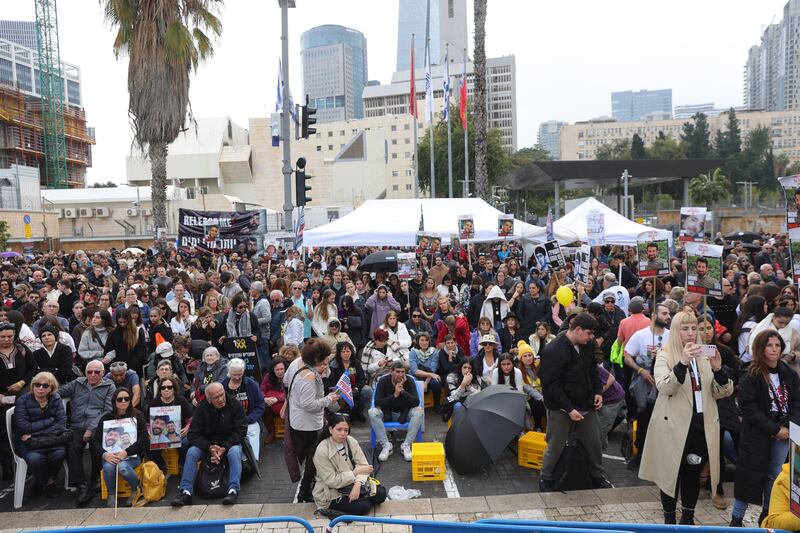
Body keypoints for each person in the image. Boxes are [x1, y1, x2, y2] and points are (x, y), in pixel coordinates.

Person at [638, 311, 733, 525]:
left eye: (694, 329)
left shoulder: (705, 354)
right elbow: (664, 387)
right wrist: (682, 363)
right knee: (670, 475)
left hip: (701, 427)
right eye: (685, 328)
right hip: (672, 427)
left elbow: (722, 392)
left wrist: (718, 370)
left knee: (692, 473)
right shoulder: (665, 354)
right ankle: (669, 521)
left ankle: (688, 518)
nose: (691, 333)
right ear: (676, 331)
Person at [730, 330, 800, 527]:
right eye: (770, 345)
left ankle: (768, 515)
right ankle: (736, 519)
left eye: (777, 345)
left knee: (774, 475)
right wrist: (773, 429)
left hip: (785, 433)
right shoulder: (751, 374)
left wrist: (787, 427)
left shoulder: (789, 373)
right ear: (760, 348)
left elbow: (796, 402)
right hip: (758, 434)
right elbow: (749, 407)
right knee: (749, 475)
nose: (774, 350)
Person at [538, 313, 612, 492]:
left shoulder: (586, 344)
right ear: (577, 330)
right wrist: (569, 408)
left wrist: (598, 391)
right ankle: (545, 477)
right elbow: (551, 385)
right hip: (561, 409)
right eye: (589, 333)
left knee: (595, 443)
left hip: (586, 405)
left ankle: (597, 475)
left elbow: (592, 370)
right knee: (555, 445)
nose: (591, 337)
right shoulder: (553, 350)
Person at [171, 382, 247, 507]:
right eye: (216, 397)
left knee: (234, 452)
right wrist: (209, 447)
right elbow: (193, 433)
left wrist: (224, 447)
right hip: (207, 444)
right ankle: (186, 492)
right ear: (209, 399)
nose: (221, 399)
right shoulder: (202, 408)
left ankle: (233, 490)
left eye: (222, 394)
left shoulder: (235, 404)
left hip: (229, 442)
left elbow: (241, 430)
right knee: (191, 452)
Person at [285, 339, 340, 503]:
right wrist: (328, 399)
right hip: (307, 424)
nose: (326, 365)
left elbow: (286, 382)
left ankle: (307, 484)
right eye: (323, 362)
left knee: (311, 454)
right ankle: (305, 489)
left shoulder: (296, 363)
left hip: (296, 420)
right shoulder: (309, 378)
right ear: (316, 360)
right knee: (313, 457)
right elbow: (308, 405)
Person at [58, 359, 115, 506]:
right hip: (77, 425)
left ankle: (95, 479)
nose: (93, 375)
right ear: (85, 372)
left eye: (97, 372)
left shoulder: (109, 386)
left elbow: (108, 411)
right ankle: (82, 485)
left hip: (97, 426)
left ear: (103, 373)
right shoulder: (77, 383)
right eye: (90, 372)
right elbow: (57, 392)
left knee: (97, 445)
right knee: (73, 448)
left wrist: (91, 428)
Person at [623, 303, 671, 470]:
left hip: (665, 388)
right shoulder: (640, 335)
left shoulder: (671, 336)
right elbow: (627, 356)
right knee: (644, 422)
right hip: (645, 388)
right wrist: (641, 370)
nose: (667, 316)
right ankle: (640, 455)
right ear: (653, 316)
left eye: (668, 314)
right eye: (664, 313)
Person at [312, 412, 387, 517]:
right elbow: (332, 481)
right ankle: (336, 508)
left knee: (381, 494)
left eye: (346, 430)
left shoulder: (351, 441)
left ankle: (359, 498)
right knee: (364, 507)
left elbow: (363, 465)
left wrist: (357, 484)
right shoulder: (322, 450)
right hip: (332, 491)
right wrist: (355, 473)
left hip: (352, 482)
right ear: (330, 430)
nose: (343, 433)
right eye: (339, 429)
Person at [12, 371, 68, 498]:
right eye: (37, 385)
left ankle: (39, 482)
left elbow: (61, 423)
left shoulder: (55, 398)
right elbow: (23, 426)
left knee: (59, 454)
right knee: (36, 459)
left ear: (51, 388)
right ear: (32, 386)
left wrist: (36, 433)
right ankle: (49, 483)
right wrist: (49, 421)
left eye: (45, 386)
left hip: (50, 440)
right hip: (27, 443)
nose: (40, 388)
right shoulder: (23, 401)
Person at [92, 387, 147, 507]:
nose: (123, 402)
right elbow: (95, 441)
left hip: (131, 455)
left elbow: (144, 439)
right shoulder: (106, 418)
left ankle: (136, 487)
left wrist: (127, 452)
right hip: (110, 455)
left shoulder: (138, 416)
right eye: (120, 399)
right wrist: (105, 454)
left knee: (122, 468)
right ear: (114, 402)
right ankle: (112, 494)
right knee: (108, 468)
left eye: (126, 399)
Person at [369, 361, 423, 462]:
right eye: (397, 372)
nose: (400, 374)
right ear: (391, 372)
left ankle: (406, 445)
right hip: (387, 413)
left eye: (403, 372)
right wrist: (395, 395)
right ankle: (386, 445)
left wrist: (402, 392)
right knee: (372, 412)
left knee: (419, 412)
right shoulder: (383, 381)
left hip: (405, 413)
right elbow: (377, 403)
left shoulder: (409, 380)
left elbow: (416, 402)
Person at [221, 358, 265, 461]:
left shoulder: (251, 384)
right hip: (229, 421)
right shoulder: (223, 385)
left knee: (253, 431)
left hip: (249, 420)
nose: (236, 377)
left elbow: (260, 405)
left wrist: (249, 418)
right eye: (233, 374)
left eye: (239, 374)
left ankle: (252, 461)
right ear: (229, 372)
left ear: (243, 372)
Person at [327, 342, 370, 422]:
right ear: (339, 353)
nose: (346, 354)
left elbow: (362, 379)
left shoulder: (355, 363)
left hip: (354, 388)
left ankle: (359, 410)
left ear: (351, 352)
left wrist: (357, 387)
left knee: (368, 390)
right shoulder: (334, 365)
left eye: (348, 351)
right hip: (340, 390)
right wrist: (344, 391)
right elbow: (333, 383)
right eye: (343, 352)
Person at [409, 332, 442, 413]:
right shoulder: (413, 352)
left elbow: (432, 369)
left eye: (426, 340)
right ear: (418, 341)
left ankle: (437, 405)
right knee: (412, 381)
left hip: (429, 377)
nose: (424, 343)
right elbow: (414, 370)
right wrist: (430, 374)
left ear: (429, 341)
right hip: (417, 375)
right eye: (422, 340)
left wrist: (426, 382)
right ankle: (415, 406)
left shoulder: (434, 352)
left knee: (436, 383)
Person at [260, 356, 286, 443]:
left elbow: (290, 393)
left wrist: (277, 398)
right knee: (262, 406)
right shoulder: (268, 377)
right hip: (271, 403)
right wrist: (265, 399)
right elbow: (261, 390)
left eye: (282, 369)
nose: (280, 372)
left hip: (285, 402)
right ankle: (271, 432)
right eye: (277, 370)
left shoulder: (289, 377)